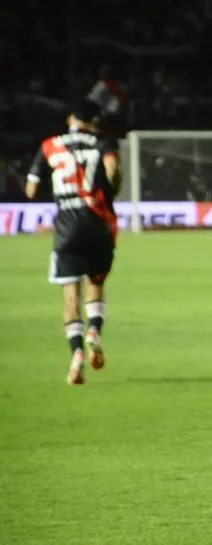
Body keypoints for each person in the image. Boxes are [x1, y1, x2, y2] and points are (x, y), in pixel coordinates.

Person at [25, 100, 121, 385]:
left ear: (70, 118)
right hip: (98, 222)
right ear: (95, 121)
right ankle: (94, 330)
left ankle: (76, 352)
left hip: (67, 226)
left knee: (70, 293)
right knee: (96, 282)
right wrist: (109, 189)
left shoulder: (49, 145)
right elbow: (112, 169)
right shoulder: (102, 142)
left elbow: (31, 189)